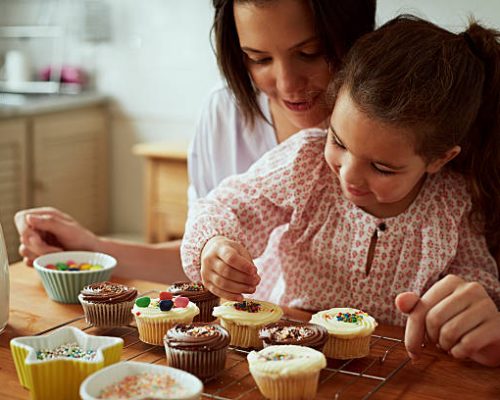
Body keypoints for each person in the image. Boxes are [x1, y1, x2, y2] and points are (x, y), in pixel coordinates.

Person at [180, 15, 500, 366]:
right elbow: (229, 205)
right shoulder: (306, 163)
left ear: (439, 159)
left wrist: (473, 315)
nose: (349, 176)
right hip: (284, 350)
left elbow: (479, 280)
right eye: (339, 141)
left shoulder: (452, 204)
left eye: (382, 168)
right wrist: (213, 245)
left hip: (385, 362)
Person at [14, 0, 376, 282]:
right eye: (259, 58)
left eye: (309, 53)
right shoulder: (224, 113)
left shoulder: (394, 123)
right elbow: (198, 259)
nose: (286, 85)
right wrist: (94, 248)